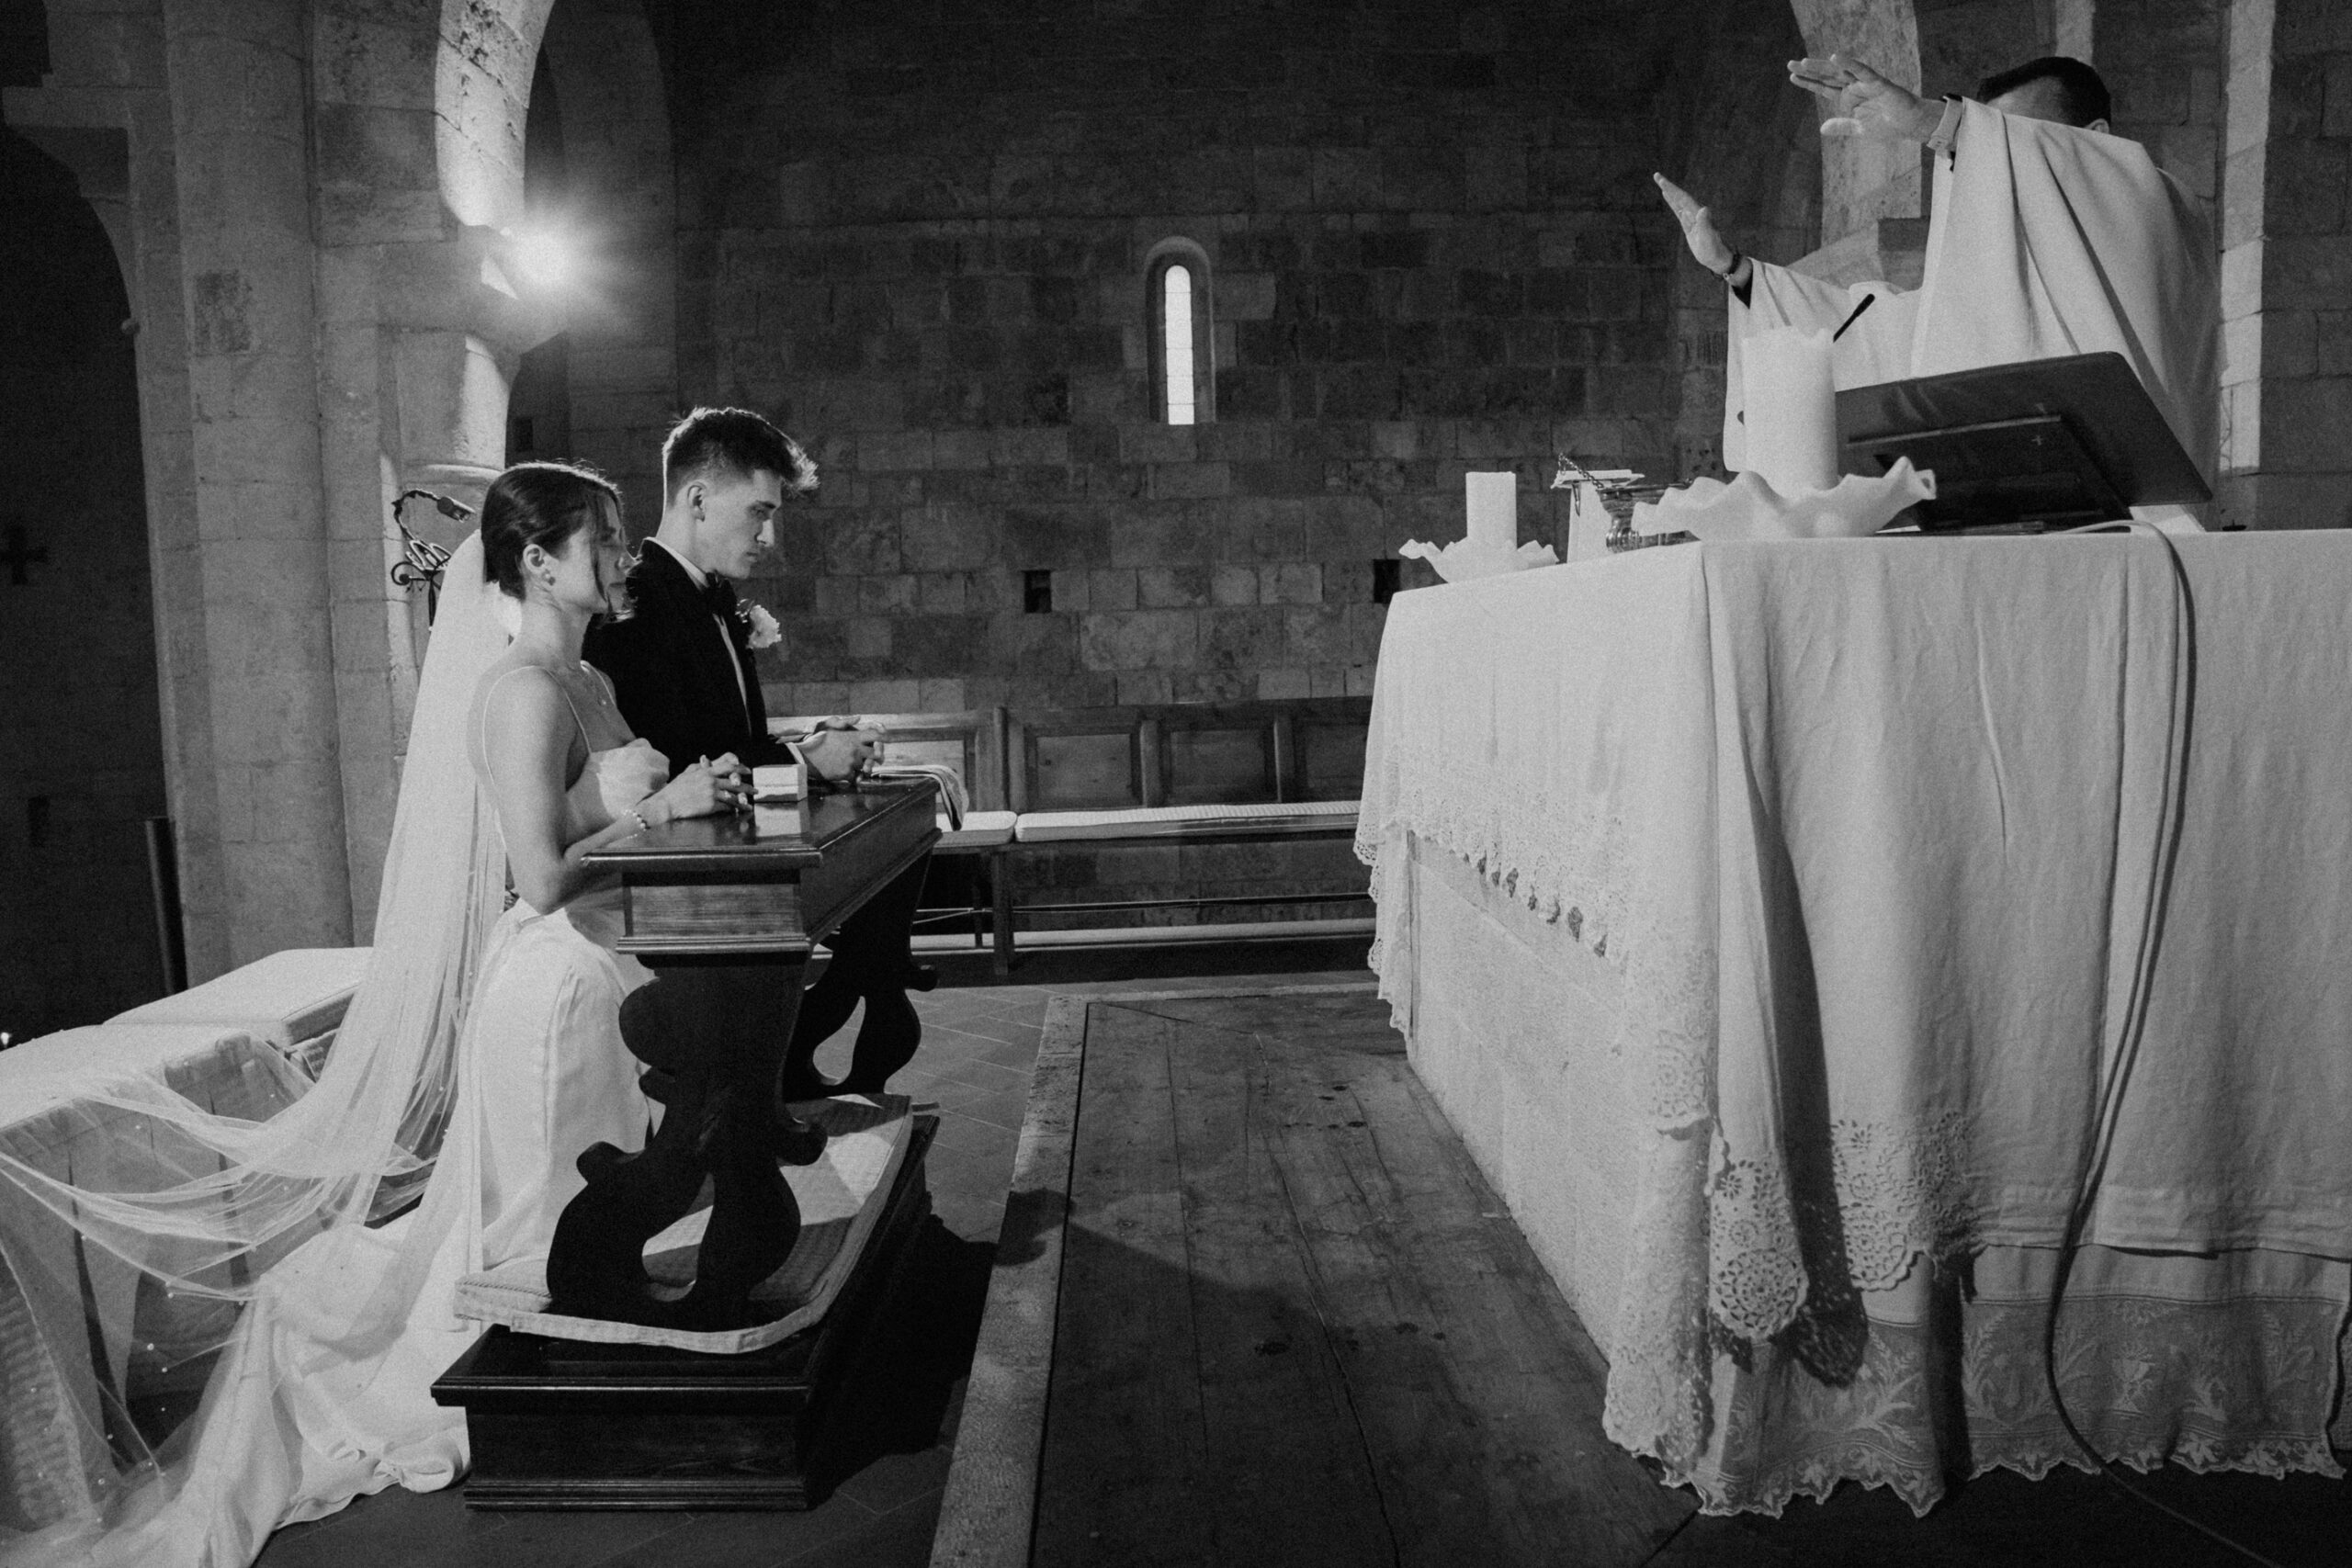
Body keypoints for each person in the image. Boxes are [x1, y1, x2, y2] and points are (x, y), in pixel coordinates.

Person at [0, 465, 744, 1567]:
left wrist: (690, 803)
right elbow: (541, 878)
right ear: (538, 561)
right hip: (551, 985)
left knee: (598, 1181)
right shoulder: (520, 691)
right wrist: (658, 808)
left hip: (605, 970)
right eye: (604, 537)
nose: (625, 555)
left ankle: (596, 1347)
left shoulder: (585, 676)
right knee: (545, 1201)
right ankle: (541, 1380)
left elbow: (601, 824)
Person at [1655, 53, 2219, 528]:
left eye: (2010, 150)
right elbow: (1886, 330)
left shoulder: (2155, 203)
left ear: (2096, 142)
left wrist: (1934, 122)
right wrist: (1736, 270)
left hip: (2145, 530)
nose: (1996, 173)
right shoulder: (2008, 281)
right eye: (1988, 159)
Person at [584, 408, 933, 1099]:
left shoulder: (713, 597)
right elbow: (679, 764)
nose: (769, 537)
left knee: (890, 873)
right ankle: (788, 1060)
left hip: (735, 856)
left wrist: (815, 745)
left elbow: (733, 741)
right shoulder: (635, 605)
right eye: (760, 513)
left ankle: (809, 1048)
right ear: (698, 499)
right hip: (686, 886)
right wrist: (806, 763)